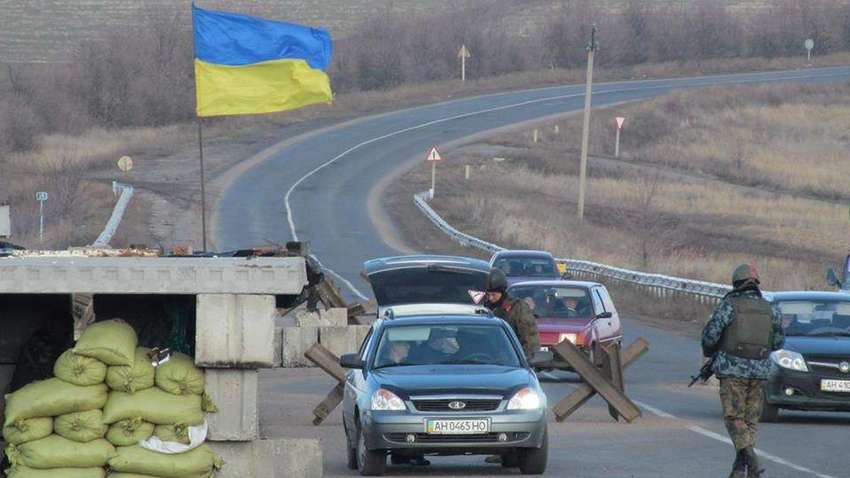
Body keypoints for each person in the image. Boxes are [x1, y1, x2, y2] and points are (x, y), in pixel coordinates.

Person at [701, 264, 784, 478]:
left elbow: (710, 337)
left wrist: (713, 352)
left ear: (736, 283)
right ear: (756, 284)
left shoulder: (729, 305)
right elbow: (778, 342)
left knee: (733, 418)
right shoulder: (771, 308)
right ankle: (740, 469)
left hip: (733, 371)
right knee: (749, 421)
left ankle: (751, 459)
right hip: (760, 372)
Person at [483, 268, 540, 356]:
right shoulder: (483, 308)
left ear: (502, 292)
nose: (490, 298)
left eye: (494, 295)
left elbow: (530, 339)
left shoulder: (518, 308)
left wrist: (526, 359)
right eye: (488, 295)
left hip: (510, 358)